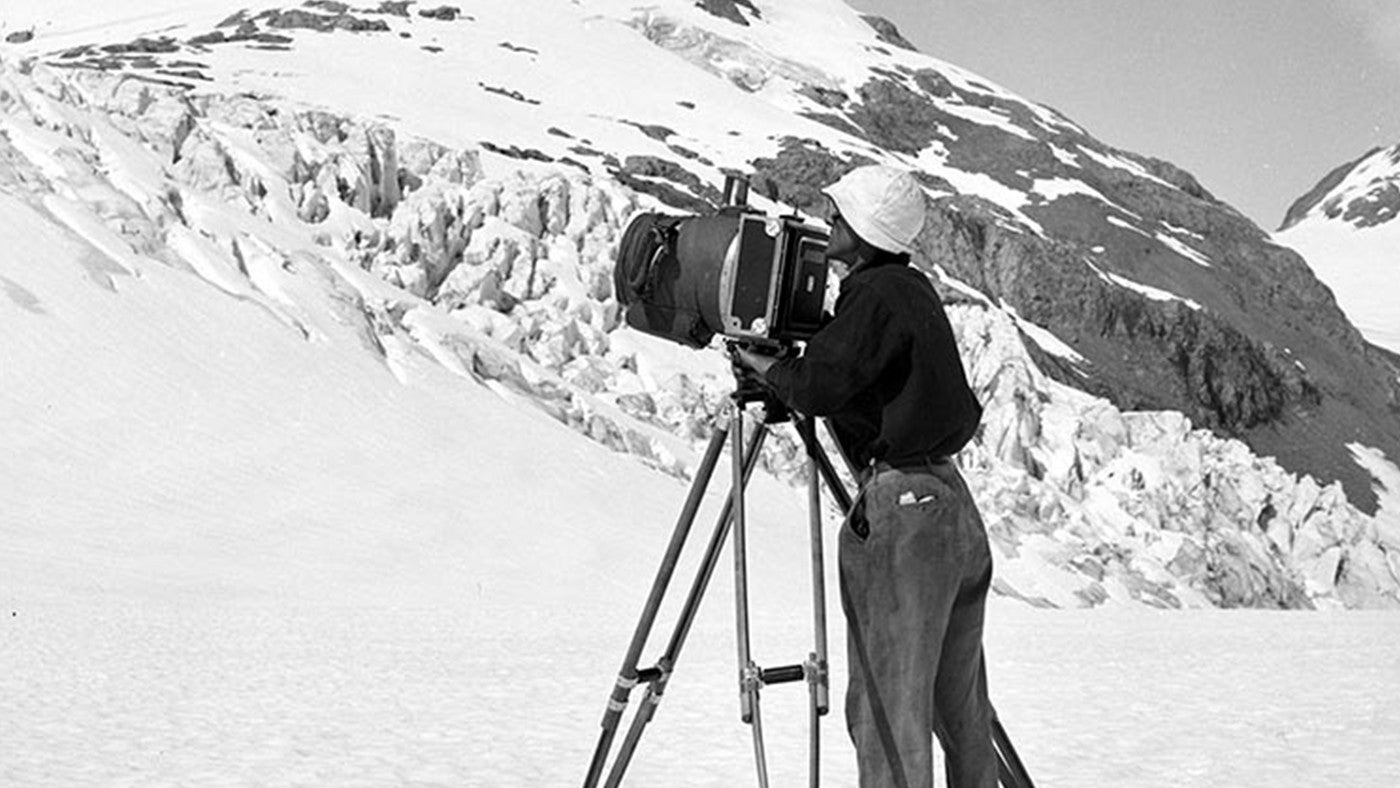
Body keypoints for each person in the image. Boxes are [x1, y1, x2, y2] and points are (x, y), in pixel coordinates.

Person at [733, 165, 997, 788]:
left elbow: (820, 386)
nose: (829, 223)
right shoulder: (912, 291)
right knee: (958, 709)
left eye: (840, 216)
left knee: (886, 711)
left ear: (867, 231)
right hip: (951, 504)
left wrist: (767, 369)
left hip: (905, 519)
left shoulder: (874, 296)